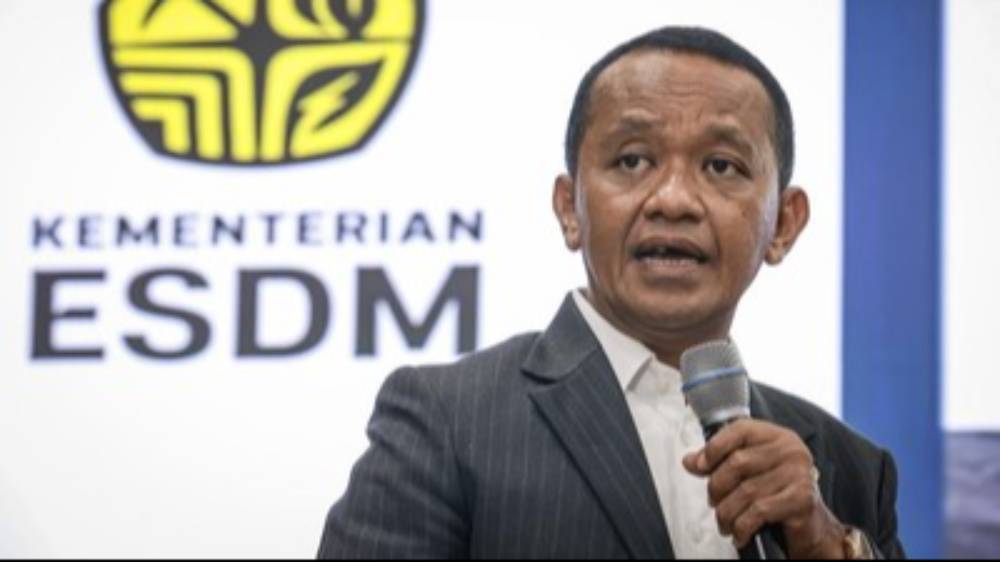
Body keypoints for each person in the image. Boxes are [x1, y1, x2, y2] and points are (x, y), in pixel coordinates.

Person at [317, 26, 904, 559]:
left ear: (784, 224)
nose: (674, 199)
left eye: (722, 167)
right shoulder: (447, 421)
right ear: (569, 209)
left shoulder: (849, 468)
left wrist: (829, 545)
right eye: (632, 160)